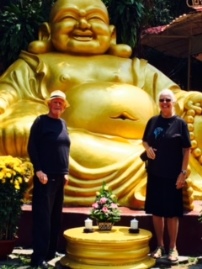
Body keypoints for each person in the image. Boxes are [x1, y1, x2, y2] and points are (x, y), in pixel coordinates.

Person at [0, 0, 201, 209]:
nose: (84, 25)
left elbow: (173, 94)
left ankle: (158, 185)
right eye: (70, 18)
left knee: (192, 126)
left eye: (94, 19)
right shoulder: (36, 63)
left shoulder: (131, 66)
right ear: (46, 33)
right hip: (79, 138)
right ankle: (152, 187)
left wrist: (190, 100)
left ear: (112, 34)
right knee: (59, 145)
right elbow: (7, 91)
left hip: (145, 139)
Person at [142, 88, 191, 262]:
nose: (164, 103)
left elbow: (186, 149)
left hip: (173, 175)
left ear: (174, 102)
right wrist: (147, 149)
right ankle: (160, 246)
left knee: (171, 212)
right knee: (156, 211)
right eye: (161, 100)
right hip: (155, 173)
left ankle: (173, 248)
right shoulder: (153, 121)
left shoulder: (180, 123)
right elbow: (145, 140)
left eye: (167, 100)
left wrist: (182, 173)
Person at [27, 90, 71, 268]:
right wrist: (38, 170)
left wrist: (66, 171)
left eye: (61, 102)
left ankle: (51, 252)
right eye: (55, 102)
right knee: (43, 218)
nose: (58, 104)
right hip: (45, 176)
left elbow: (65, 149)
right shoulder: (41, 122)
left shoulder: (63, 124)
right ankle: (39, 258)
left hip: (60, 176)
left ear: (64, 106)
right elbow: (32, 146)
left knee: (55, 217)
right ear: (49, 104)